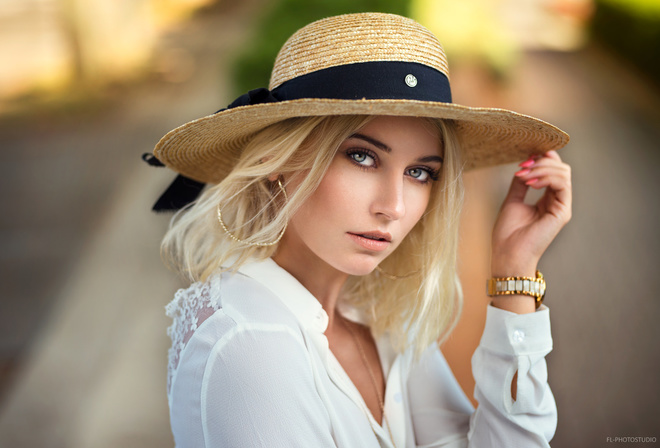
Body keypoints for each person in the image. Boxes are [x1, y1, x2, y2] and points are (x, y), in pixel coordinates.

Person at [148, 12, 572, 448]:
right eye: (363, 157)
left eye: (420, 173)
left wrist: (514, 268)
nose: (394, 207)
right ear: (277, 161)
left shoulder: (377, 320)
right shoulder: (252, 342)